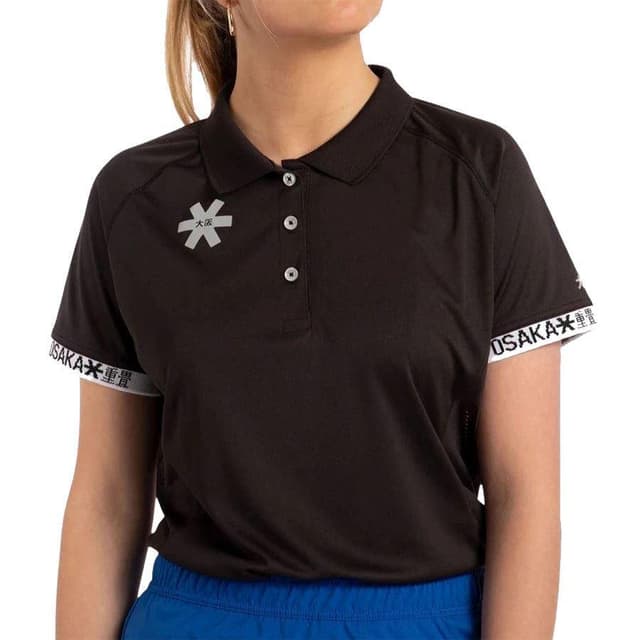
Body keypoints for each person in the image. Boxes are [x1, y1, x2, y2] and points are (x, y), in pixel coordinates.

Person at [50, 1, 598, 639]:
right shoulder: (135, 198)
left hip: (421, 622)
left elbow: (524, 495)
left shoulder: (478, 175)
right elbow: (108, 495)